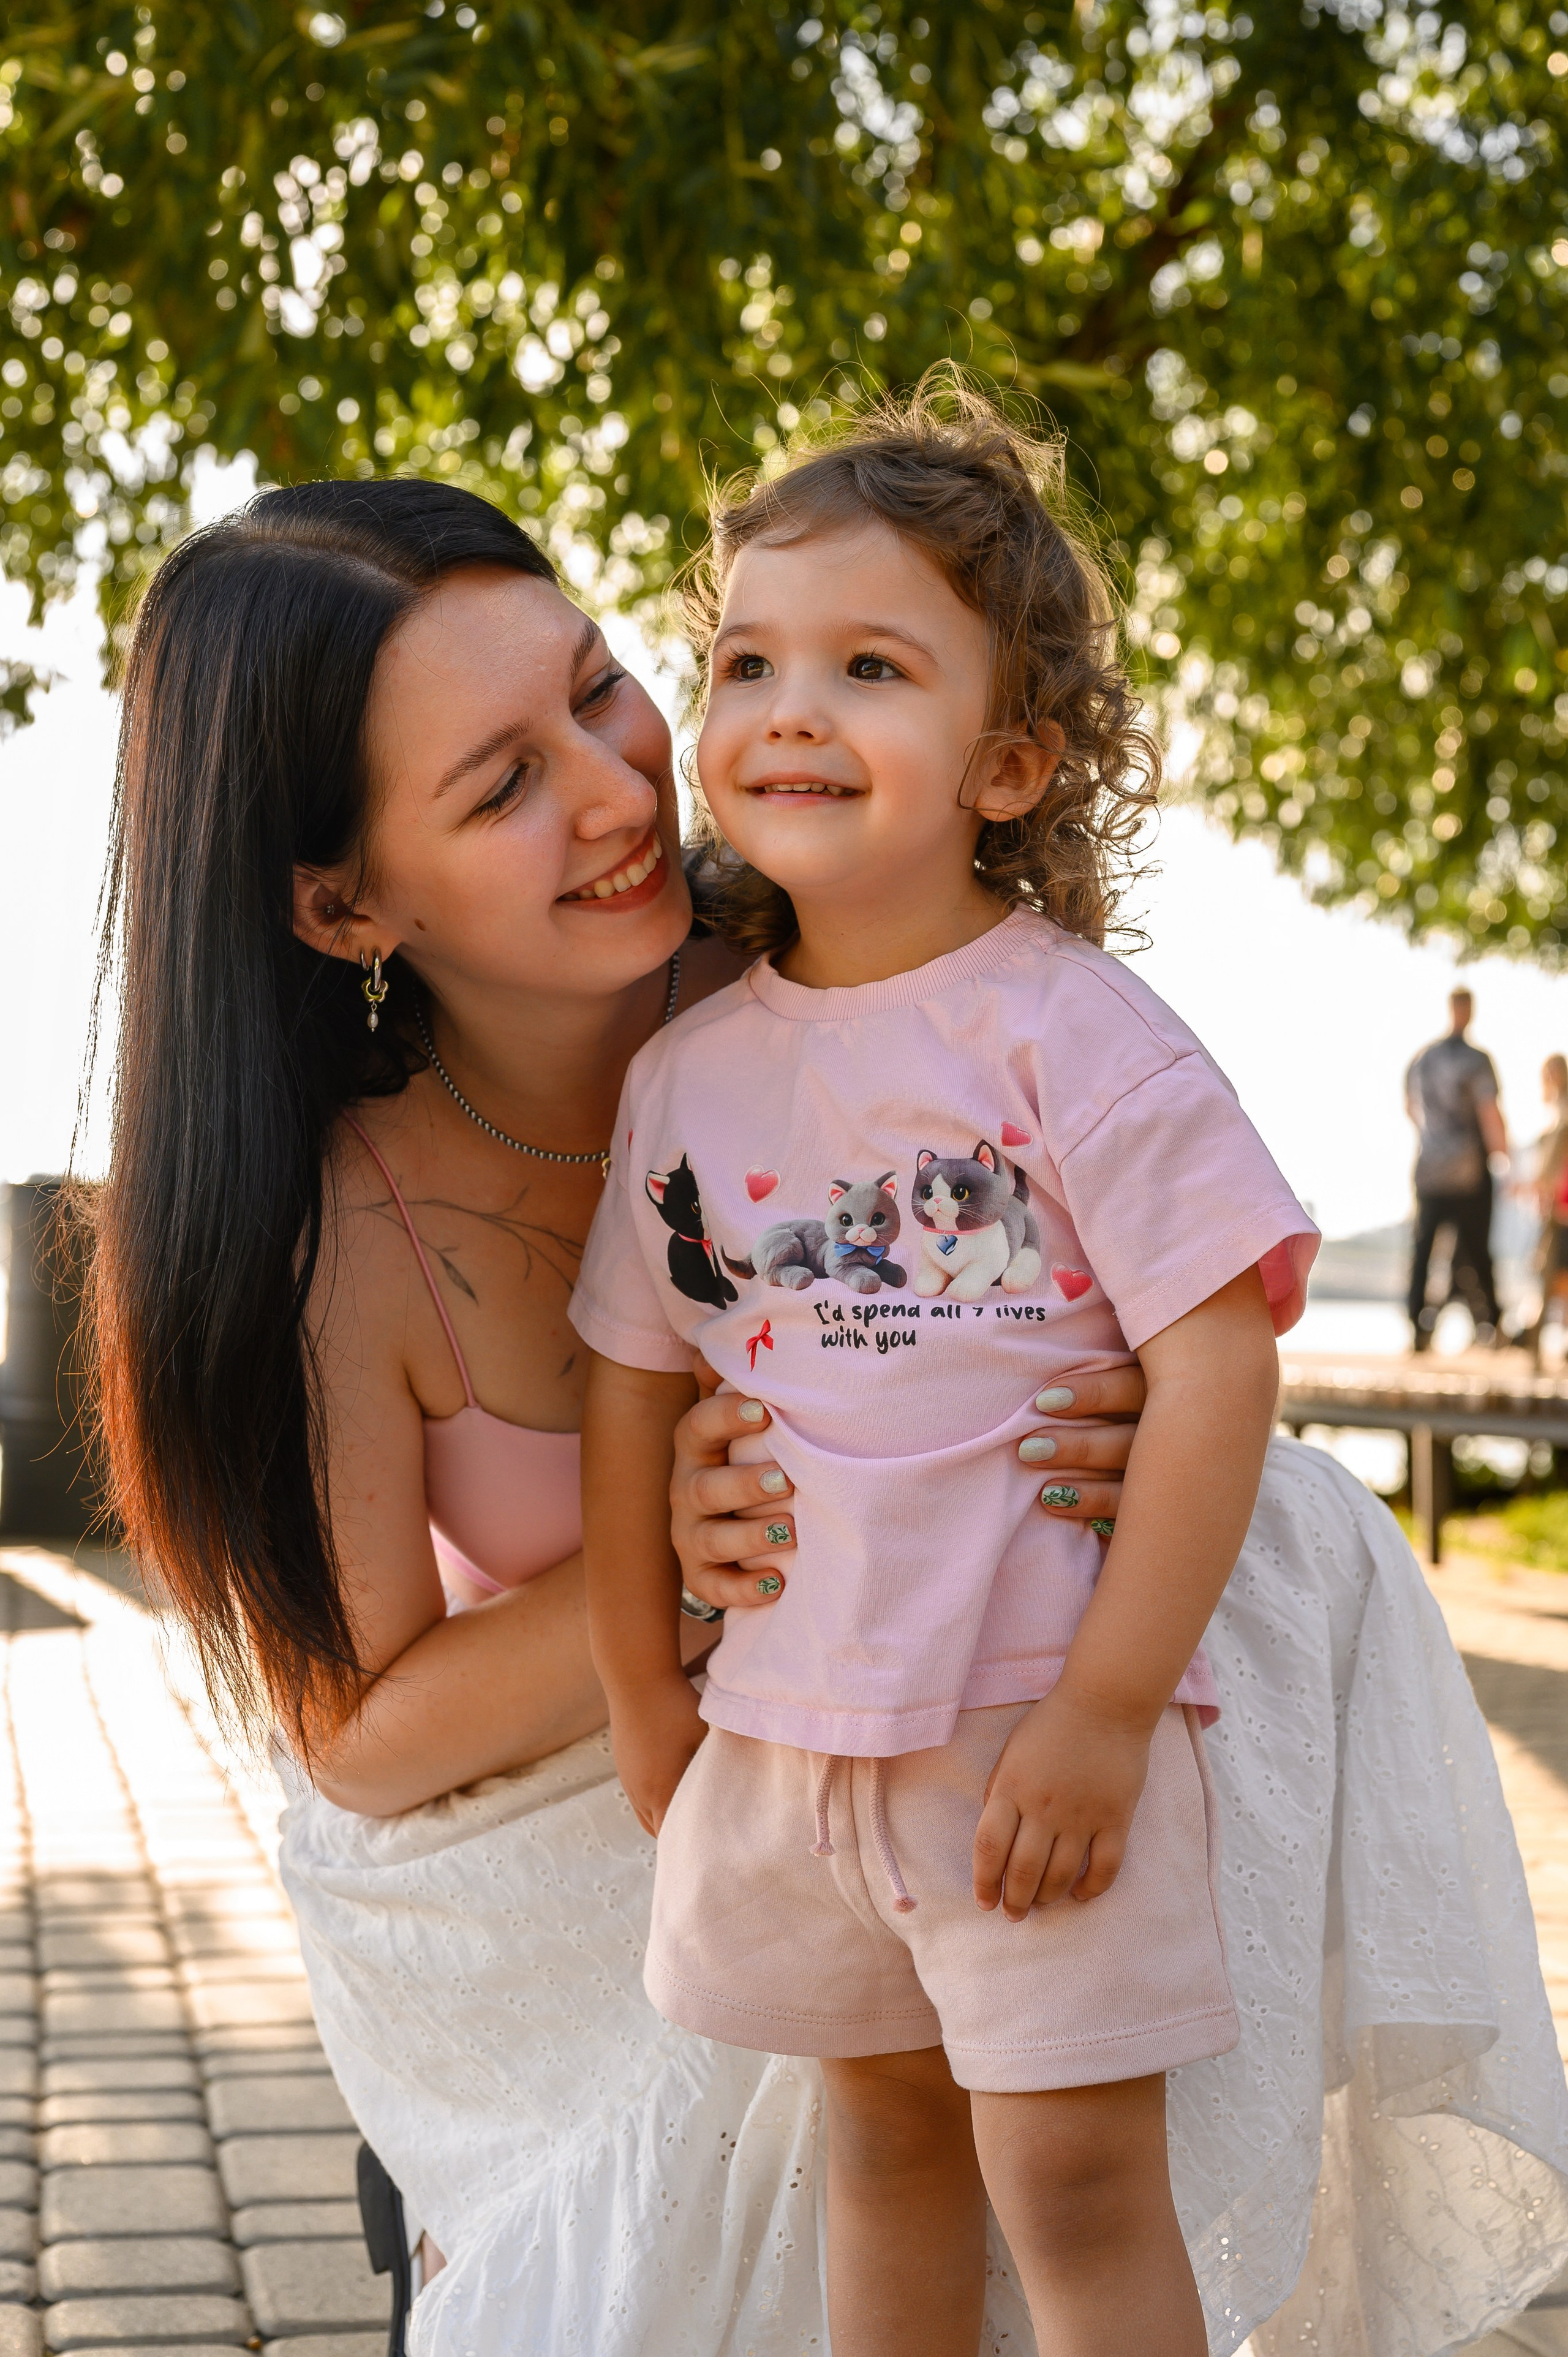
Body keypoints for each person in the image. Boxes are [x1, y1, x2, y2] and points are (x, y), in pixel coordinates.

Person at [80, 475, 1142, 2356]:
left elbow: (1133, 1275)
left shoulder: (868, 976)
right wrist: (672, 1550)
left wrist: (1107, 1404)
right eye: (498, 785)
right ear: (343, 903)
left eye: (598, 688)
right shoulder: (342, 1237)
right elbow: (355, 1733)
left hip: (947, 1846)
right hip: (581, 1972)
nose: (616, 789)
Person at [574, 385, 1568, 2357]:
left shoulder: (1075, 1034)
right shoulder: (683, 1070)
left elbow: (1217, 1362)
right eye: (746, 658)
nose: (787, 706)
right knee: (880, 2148)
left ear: (1008, 759)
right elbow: (626, 1375)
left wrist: (1111, 1707)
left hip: (1030, 1737)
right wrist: (640, 1695)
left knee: (1077, 2179)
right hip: (781, 1734)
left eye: (870, 664)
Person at [1406, 987, 1508, 1349]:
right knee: (1477, 1248)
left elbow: (1408, 1105)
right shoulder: (1476, 1060)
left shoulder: (1423, 1059)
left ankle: (1417, 1323)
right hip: (1468, 1172)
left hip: (1429, 1167)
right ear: (1469, 1011)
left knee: (1424, 1249)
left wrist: (1431, 1138)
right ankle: (1492, 1322)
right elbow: (1489, 1111)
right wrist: (1503, 1156)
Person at [1528, 1052, 1568, 1367]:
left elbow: (1552, 1165)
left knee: (1550, 1276)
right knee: (1554, 1277)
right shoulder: (1555, 1112)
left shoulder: (1563, 1114)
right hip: (1557, 1207)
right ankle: (1536, 1350)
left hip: (1561, 1208)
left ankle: (1536, 1352)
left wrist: (1543, 1188)